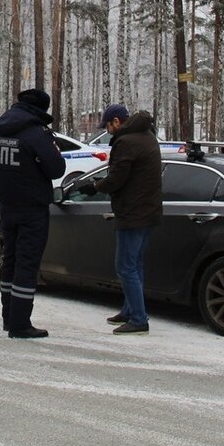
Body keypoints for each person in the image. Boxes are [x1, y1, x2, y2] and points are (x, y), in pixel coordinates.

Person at [0, 88, 66, 339]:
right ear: (41, 109)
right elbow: (56, 169)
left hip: (7, 205)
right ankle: (20, 323)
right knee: (27, 264)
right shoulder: (36, 133)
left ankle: (8, 317)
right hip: (32, 208)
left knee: (10, 260)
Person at [79, 103, 163, 334]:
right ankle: (129, 310)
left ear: (116, 121)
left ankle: (138, 318)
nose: (107, 131)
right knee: (135, 264)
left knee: (125, 266)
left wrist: (94, 186)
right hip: (149, 211)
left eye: (107, 126)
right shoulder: (147, 136)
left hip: (132, 213)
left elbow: (117, 179)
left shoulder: (126, 142)